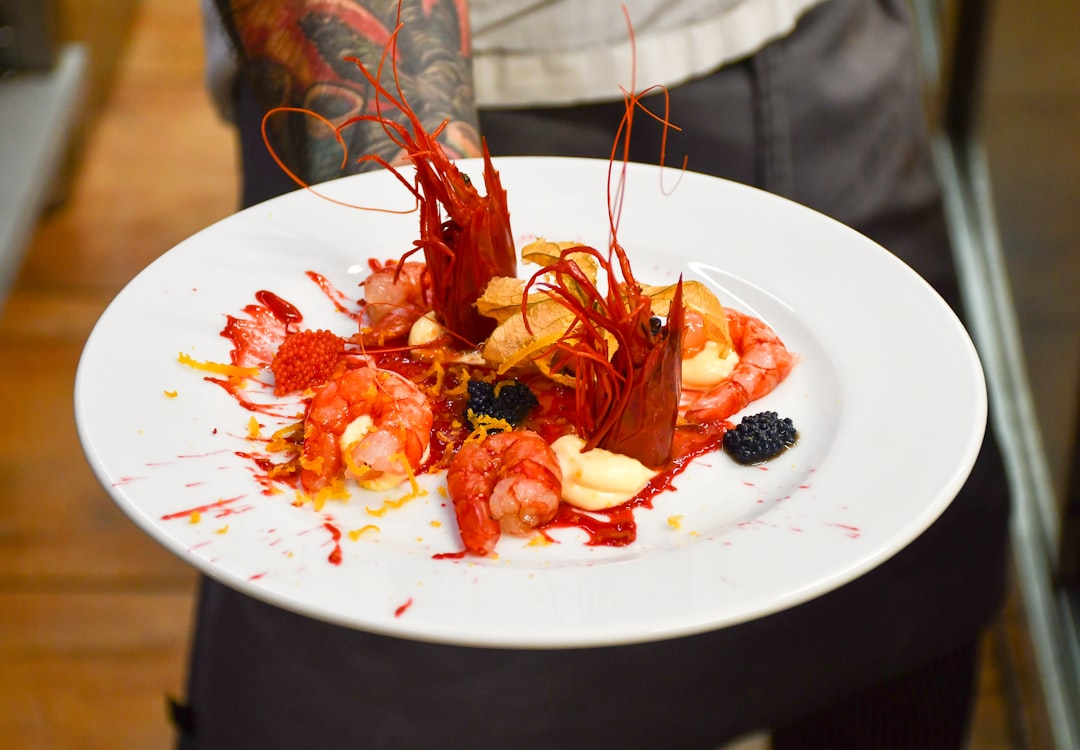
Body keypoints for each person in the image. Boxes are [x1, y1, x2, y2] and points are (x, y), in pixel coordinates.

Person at [180, 1, 1011, 747]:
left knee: (900, 604)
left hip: (810, 70)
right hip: (418, 100)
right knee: (365, 695)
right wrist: (411, 224)